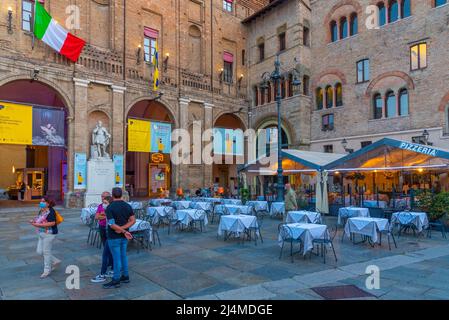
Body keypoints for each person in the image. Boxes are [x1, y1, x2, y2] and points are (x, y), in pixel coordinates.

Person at [103, 188, 135, 289]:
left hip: (114, 236)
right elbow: (132, 220)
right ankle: (125, 276)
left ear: (112, 195)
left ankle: (116, 279)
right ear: (121, 195)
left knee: (117, 258)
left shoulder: (110, 207)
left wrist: (121, 230)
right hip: (124, 236)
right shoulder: (127, 205)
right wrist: (124, 230)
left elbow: (112, 224)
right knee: (123, 256)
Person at [29, 196, 61, 278]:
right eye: (41, 201)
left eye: (43, 201)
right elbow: (39, 218)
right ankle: (55, 261)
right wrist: (34, 221)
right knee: (39, 251)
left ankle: (47, 270)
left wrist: (38, 225)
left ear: (48, 203)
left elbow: (52, 223)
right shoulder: (42, 210)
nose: (41, 203)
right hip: (41, 233)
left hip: (49, 235)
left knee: (46, 252)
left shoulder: (51, 212)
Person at [91, 194, 114, 283]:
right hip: (102, 227)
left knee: (108, 250)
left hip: (110, 230)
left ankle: (104, 273)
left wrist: (104, 215)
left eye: (105, 198)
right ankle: (110, 266)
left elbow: (111, 218)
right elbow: (97, 217)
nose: (103, 199)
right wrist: (104, 216)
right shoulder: (100, 206)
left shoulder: (111, 208)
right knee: (105, 246)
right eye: (102, 197)